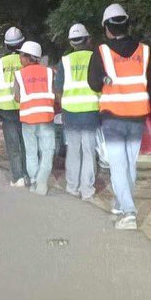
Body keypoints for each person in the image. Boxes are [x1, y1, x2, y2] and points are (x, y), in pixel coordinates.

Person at [88, 3, 151, 231]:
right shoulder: (144, 51)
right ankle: (119, 204)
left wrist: (107, 81)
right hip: (137, 115)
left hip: (114, 116)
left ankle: (129, 213)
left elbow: (94, 83)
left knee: (117, 165)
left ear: (107, 28)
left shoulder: (102, 51)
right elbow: (149, 79)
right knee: (129, 164)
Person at [55, 23, 100, 200]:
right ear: (87, 39)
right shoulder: (95, 58)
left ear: (71, 42)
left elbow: (58, 89)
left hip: (70, 113)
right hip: (90, 112)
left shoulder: (65, 61)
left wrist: (64, 106)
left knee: (73, 151)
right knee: (89, 151)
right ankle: (87, 190)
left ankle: (72, 187)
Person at [13, 41, 56, 196]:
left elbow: (17, 97)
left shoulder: (19, 74)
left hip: (28, 119)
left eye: (21, 55)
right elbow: (54, 93)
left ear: (28, 57)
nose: (19, 58)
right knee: (48, 150)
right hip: (46, 118)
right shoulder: (50, 72)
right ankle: (42, 181)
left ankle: (33, 180)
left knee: (31, 152)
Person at [0, 27, 27, 186]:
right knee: (26, 143)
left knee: (13, 145)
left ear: (6, 45)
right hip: (25, 107)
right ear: (22, 42)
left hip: (6, 109)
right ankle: (27, 175)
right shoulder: (27, 60)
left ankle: (17, 177)